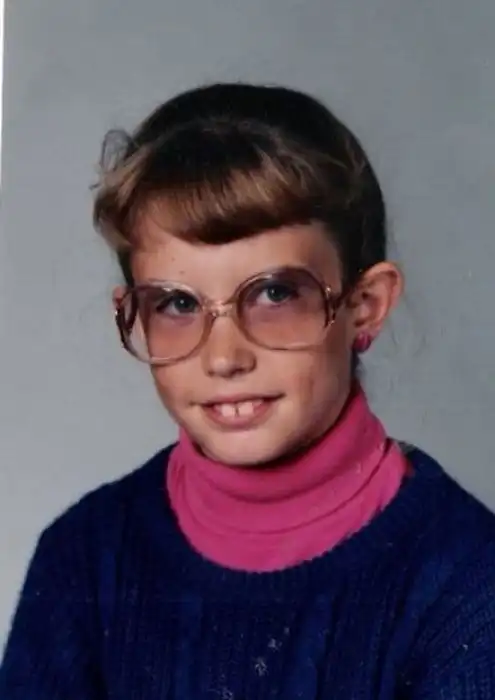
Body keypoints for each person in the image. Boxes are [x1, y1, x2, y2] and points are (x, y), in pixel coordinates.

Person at [1, 82, 495, 700]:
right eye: (177, 303)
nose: (224, 357)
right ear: (132, 314)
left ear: (364, 305)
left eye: (274, 294)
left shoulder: (467, 583)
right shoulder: (83, 558)